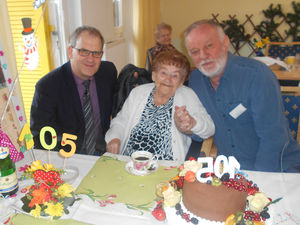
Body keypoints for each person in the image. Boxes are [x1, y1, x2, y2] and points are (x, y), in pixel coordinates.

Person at [177, 19, 300, 172]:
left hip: (278, 169)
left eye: (209, 46)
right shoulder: (196, 81)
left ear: (225, 43)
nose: (203, 55)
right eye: (195, 51)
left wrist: (256, 182)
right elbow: (203, 133)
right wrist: (189, 126)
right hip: (230, 172)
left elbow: (273, 138)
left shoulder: (257, 75)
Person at [105, 50, 214, 161]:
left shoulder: (188, 96)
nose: (168, 79)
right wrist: (115, 138)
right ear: (154, 75)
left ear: (181, 81)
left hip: (166, 167)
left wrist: (192, 123)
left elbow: (210, 128)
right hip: (131, 163)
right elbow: (120, 121)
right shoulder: (138, 93)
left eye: (175, 75)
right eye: (163, 73)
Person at [30, 26, 117, 155]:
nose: (90, 59)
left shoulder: (108, 72)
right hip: (67, 157)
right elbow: (41, 136)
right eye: (84, 51)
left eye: (96, 53)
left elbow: (118, 108)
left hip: (104, 153)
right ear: (70, 51)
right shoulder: (47, 86)